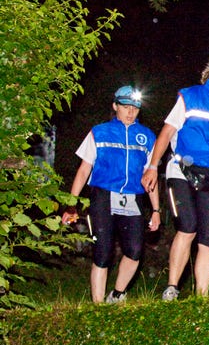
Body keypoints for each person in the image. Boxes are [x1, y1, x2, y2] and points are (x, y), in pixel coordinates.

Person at [142, 48, 209, 300]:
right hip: (182, 169)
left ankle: (201, 296)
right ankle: (172, 288)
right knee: (188, 227)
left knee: (208, 237)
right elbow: (167, 133)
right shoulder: (190, 96)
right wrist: (153, 165)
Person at [62, 86, 161, 303]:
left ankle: (117, 294)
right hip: (103, 195)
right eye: (125, 107)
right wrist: (71, 205)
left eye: (134, 108)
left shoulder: (147, 136)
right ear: (115, 106)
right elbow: (83, 171)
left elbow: (150, 177)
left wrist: (156, 210)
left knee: (135, 251)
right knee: (103, 251)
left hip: (134, 198)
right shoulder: (99, 131)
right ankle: (98, 306)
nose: (130, 112)